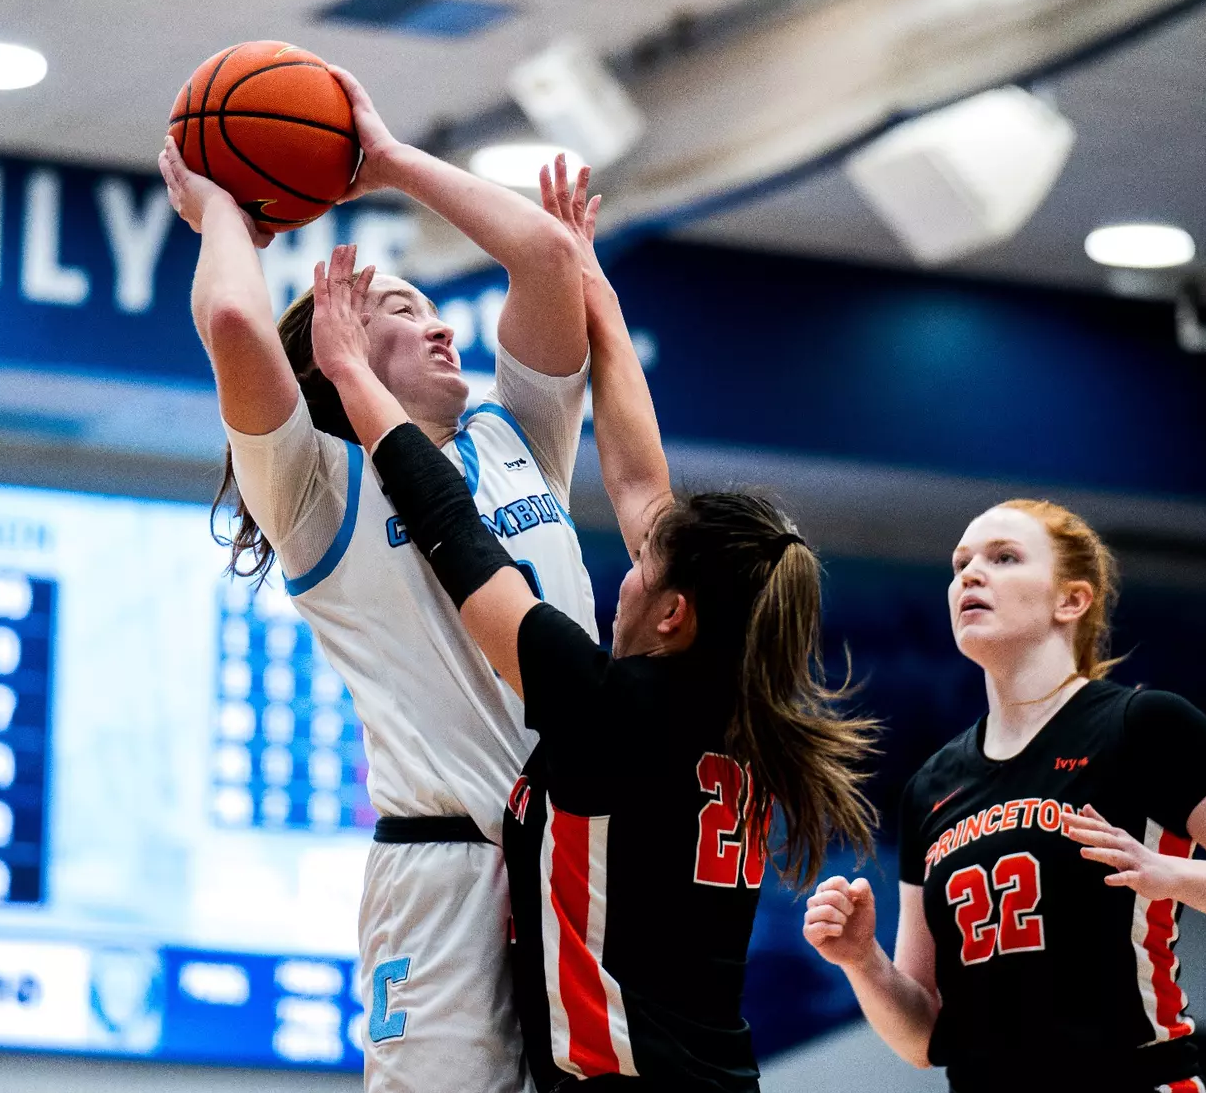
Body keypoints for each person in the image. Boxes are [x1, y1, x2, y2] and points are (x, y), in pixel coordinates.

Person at [306, 172, 879, 1089]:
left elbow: (457, 536)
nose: (625, 571)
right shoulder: (728, 712)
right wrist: (592, 294)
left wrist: (353, 381)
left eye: (645, 567)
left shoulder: (610, 708)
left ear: (674, 613)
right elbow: (643, 487)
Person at [157, 66, 598, 1093]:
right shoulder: (317, 485)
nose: (443, 326)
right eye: (403, 307)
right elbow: (232, 323)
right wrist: (224, 209)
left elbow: (543, 255)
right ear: (337, 344)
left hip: (583, 857)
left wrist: (386, 160)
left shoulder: (514, 434)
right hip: (445, 868)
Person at [803, 499, 1206, 1093]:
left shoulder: (1146, 726)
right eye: (960, 565)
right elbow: (925, 1037)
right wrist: (862, 961)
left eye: (1004, 557)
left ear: (1071, 600)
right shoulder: (930, 786)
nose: (970, 575)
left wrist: (1167, 873)